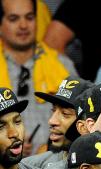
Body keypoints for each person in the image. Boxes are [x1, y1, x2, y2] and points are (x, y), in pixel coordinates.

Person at [0, 0, 77, 155]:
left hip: (56, 167)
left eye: (29, 17)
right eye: (14, 19)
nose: (23, 26)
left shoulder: (62, 66)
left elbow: (83, 122)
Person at [22, 76, 93, 168]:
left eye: (65, 114)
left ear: (89, 123)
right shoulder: (38, 162)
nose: (51, 121)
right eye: (53, 110)